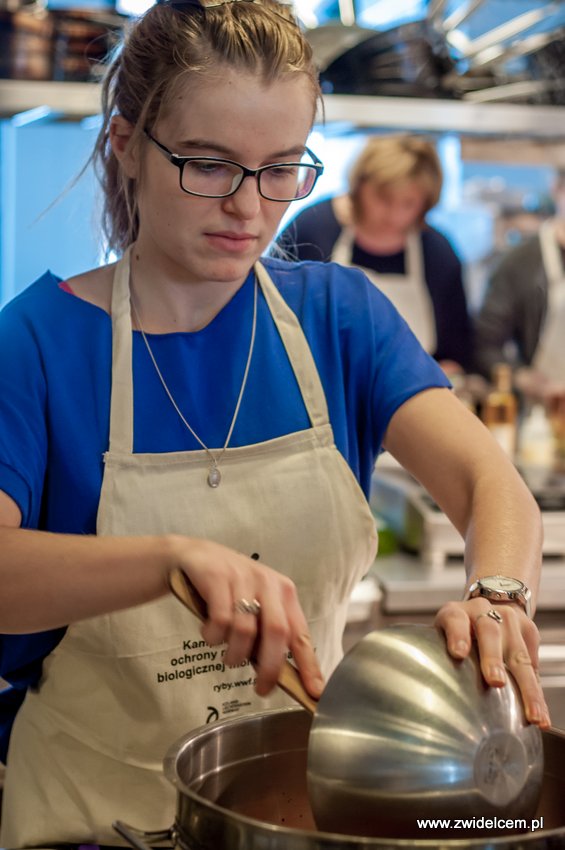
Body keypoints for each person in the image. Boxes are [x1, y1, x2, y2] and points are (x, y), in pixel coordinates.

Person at [0, 0, 549, 846]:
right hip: (88, 819)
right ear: (125, 149)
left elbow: (490, 483)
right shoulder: (37, 342)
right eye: (209, 165)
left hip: (291, 817)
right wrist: (168, 560)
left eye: (282, 168)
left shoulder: (340, 319)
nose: (249, 208)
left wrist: (498, 592)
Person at [277, 134, 473, 374]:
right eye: (384, 199)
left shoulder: (437, 254)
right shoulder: (313, 228)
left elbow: (457, 350)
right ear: (360, 187)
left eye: (408, 203)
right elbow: (273, 318)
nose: (394, 215)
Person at [474, 171, 565, 397]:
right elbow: (484, 345)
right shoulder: (519, 262)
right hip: (542, 414)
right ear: (558, 189)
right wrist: (522, 378)